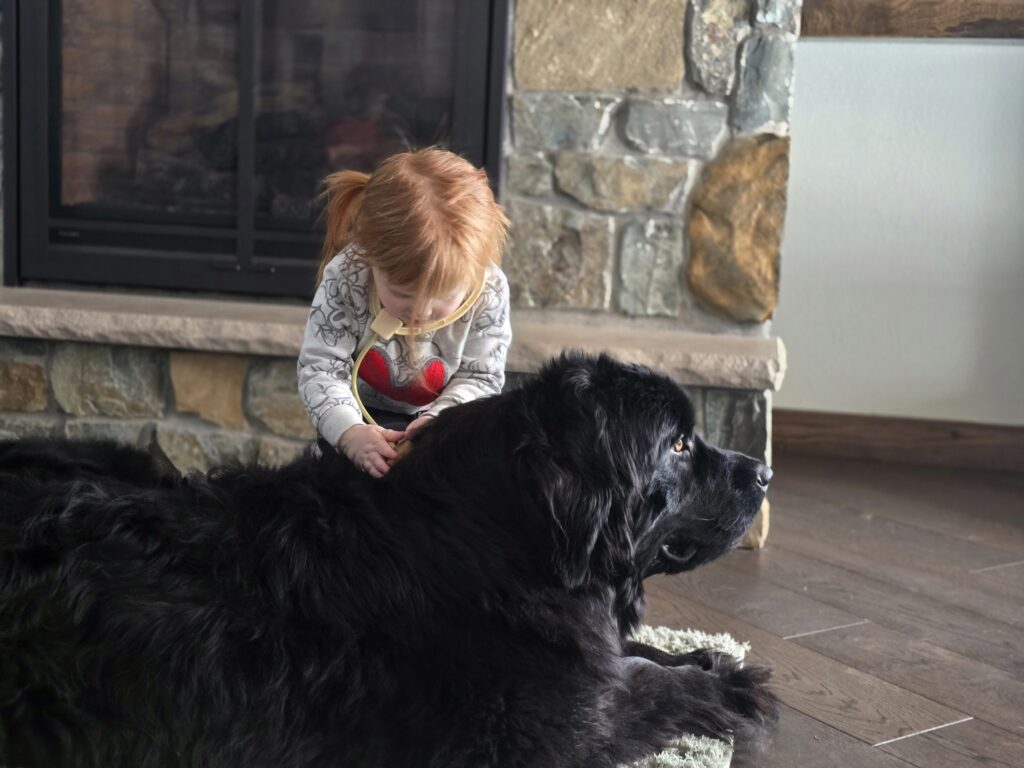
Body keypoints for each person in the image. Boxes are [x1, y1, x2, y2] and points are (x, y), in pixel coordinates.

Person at [297, 147, 511, 478]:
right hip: (354, 415)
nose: (421, 312)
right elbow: (321, 369)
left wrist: (441, 423)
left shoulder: (489, 290)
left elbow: (481, 376)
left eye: (442, 297)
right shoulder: (347, 276)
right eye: (402, 294)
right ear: (370, 258)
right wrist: (349, 432)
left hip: (443, 421)